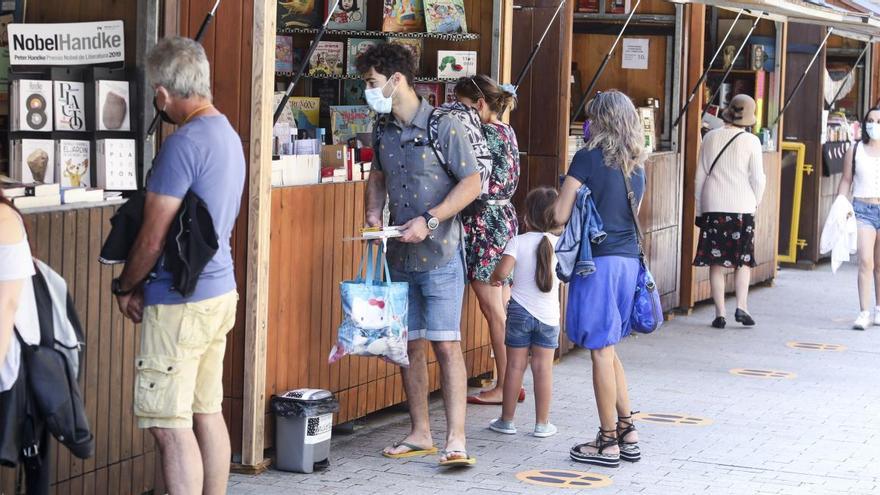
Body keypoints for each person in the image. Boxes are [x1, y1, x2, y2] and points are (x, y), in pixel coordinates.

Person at [113, 37, 245, 494]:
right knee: (206, 411)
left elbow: (152, 236)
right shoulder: (227, 134)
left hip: (179, 301)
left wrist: (125, 286)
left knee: (169, 426)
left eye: (155, 91)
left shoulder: (182, 144)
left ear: (164, 93)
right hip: (219, 292)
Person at [357, 43, 482, 466]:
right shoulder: (382, 127)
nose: (367, 90)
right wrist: (373, 212)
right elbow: (376, 176)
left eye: (372, 82)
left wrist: (429, 220)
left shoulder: (443, 125)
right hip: (399, 257)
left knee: (446, 346)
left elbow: (472, 184)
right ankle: (420, 433)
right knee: (408, 346)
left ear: (396, 80)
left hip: (442, 253)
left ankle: (457, 440)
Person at [555, 90, 646, 468]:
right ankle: (628, 430)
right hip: (629, 264)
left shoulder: (586, 158)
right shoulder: (637, 165)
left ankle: (607, 441)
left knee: (600, 352)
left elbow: (560, 214)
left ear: (599, 120)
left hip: (598, 265)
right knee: (610, 348)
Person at [454, 75, 523, 406]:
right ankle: (511, 380)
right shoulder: (507, 130)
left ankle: (504, 385)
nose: (459, 114)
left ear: (479, 105)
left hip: (484, 221)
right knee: (502, 306)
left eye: (463, 106)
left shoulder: (478, 134)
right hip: (504, 219)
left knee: (493, 309)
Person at [487, 187, 560, 438]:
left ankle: (506, 421)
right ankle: (542, 424)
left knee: (514, 367)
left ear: (526, 216)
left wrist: (496, 280)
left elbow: (501, 272)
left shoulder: (517, 241)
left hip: (519, 312)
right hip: (549, 316)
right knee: (543, 369)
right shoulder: (559, 245)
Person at [693, 94, 766, 329]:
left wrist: (700, 209)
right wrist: (755, 203)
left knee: (716, 262)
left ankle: (720, 313)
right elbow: (758, 179)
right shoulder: (751, 141)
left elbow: (699, 178)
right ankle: (742, 307)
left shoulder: (710, 137)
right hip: (742, 207)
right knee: (741, 261)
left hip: (713, 206)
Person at [835, 106, 880, 330]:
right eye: (870, 121)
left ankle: (879, 309)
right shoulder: (855, 150)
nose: (874, 125)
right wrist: (840, 204)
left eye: (878, 122)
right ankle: (864, 312)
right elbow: (846, 180)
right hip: (862, 209)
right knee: (865, 261)